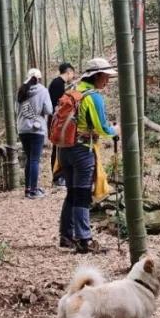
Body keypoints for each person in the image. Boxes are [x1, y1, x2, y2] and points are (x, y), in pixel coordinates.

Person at [58, 57, 119, 254]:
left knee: (72, 192)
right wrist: (116, 129)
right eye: (106, 77)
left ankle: (66, 235)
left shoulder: (72, 91)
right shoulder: (92, 97)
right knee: (82, 194)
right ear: (97, 76)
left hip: (64, 149)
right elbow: (102, 128)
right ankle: (84, 239)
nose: (107, 81)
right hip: (82, 151)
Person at [16, 68, 53, 199]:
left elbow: (17, 110)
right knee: (35, 160)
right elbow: (49, 109)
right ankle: (34, 190)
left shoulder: (21, 90)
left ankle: (27, 189)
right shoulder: (43, 90)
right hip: (36, 130)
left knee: (29, 158)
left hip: (22, 129)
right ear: (39, 79)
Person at [48, 63, 76, 186]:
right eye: (72, 73)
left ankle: (60, 176)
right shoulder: (58, 84)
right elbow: (59, 106)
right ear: (68, 72)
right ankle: (57, 177)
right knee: (58, 148)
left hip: (58, 120)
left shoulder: (58, 83)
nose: (73, 76)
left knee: (59, 148)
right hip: (58, 121)